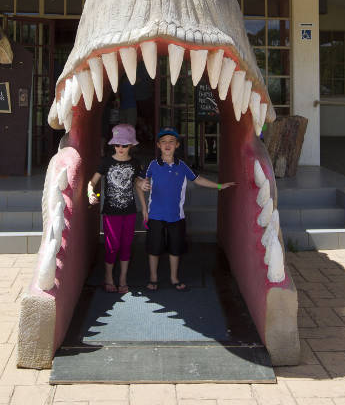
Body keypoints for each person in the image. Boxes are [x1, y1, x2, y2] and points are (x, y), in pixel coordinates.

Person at [138, 127, 235, 291]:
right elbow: (139, 183)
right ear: (158, 145)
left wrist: (219, 185)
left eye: (171, 142)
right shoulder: (152, 165)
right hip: (155, 215)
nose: (167, 145)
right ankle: (153, 278)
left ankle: (174, 278)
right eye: (163, 142)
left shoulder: (182, 166)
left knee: (176, 249)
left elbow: (198, 180)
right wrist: (143, 205)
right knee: (154, 249)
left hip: (177, 217)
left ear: (176, 145)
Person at [88, 123, 148, 294]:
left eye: (125, 145)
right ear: (113, 145)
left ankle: (122, 278)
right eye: (117, 144)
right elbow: (91, 182)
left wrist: (144, 209)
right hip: (110, 212)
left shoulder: (136, 163)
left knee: (126, 245)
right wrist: (90, 193)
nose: (120, 148)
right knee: (111, 245)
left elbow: (138, 184)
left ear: (131, 145)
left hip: (129, 211)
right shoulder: (106, 161)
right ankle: (108, 277)